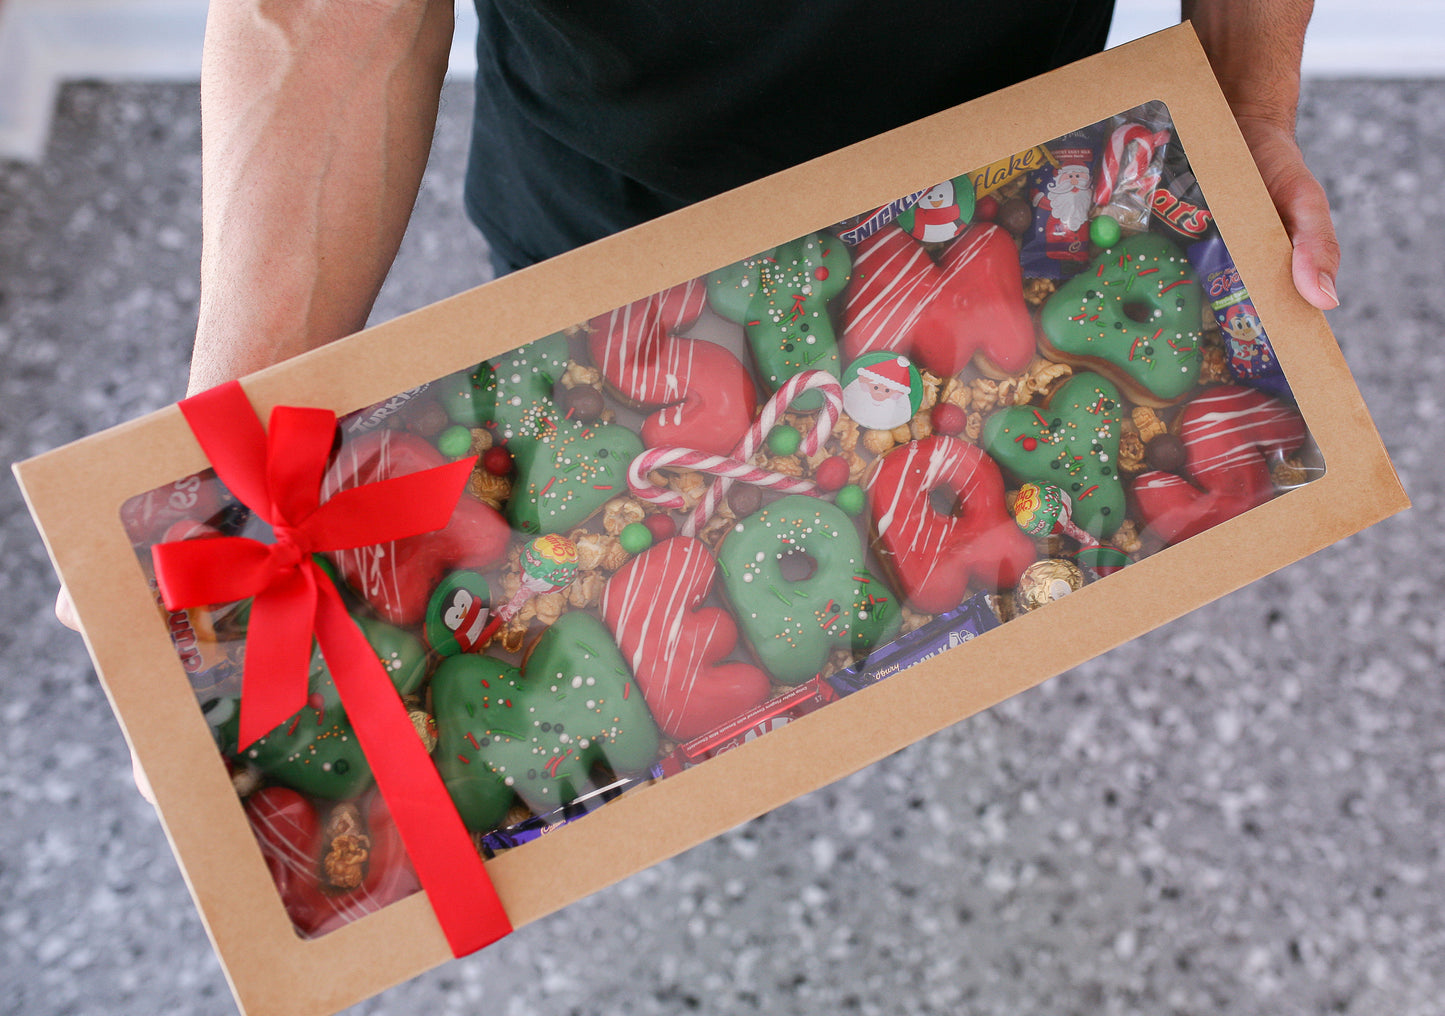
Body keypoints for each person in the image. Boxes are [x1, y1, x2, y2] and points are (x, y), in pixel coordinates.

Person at [55, 1, 1341, 797]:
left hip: (1002, 216)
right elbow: (327, 15)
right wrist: (220, 458)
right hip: (609, 250)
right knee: (621, 649)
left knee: (941, 613)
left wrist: (1241, 111)